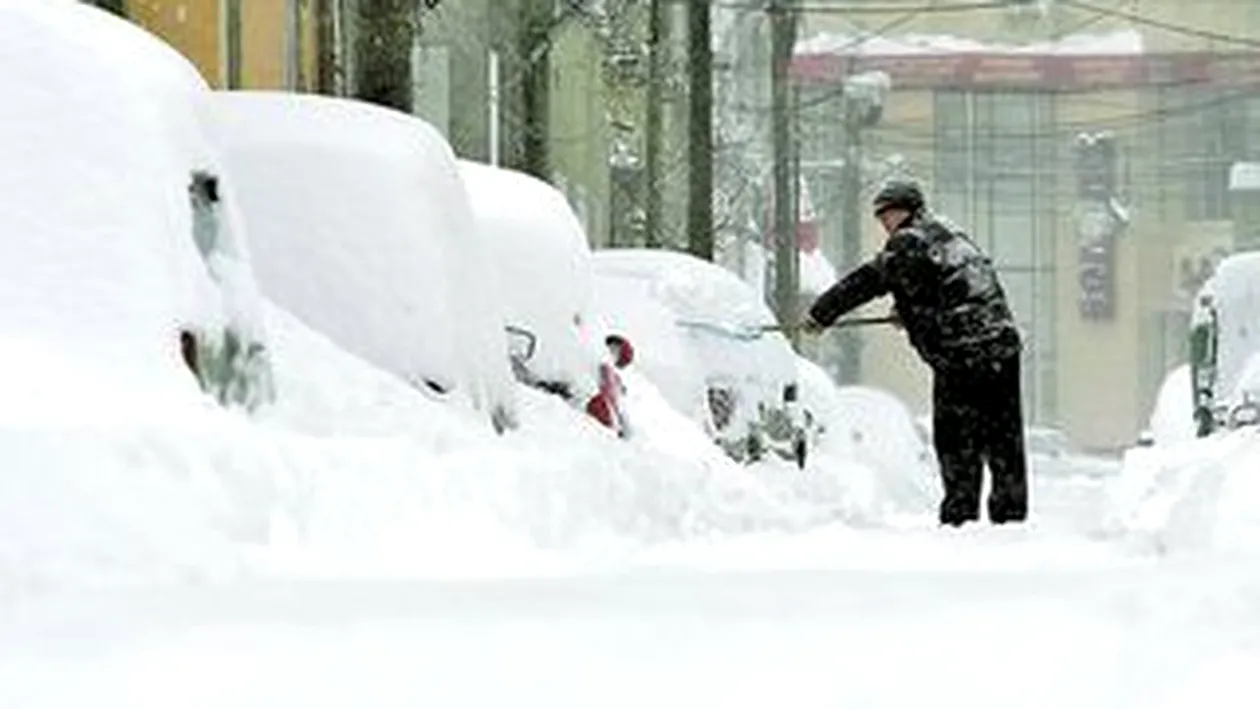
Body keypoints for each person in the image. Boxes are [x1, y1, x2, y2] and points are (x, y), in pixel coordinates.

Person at [803, 181, 1028, 526]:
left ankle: (960, 516)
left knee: (956, 439)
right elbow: (945, 288)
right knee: (1002, 436)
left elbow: (870, 280)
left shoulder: (909, 241)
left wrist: (821, 313)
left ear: (903, 211)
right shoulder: (950, 235)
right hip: (1001, 347)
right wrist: (909, 311)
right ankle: (1010, 516)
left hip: (962, 355)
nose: (883, 224)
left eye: (886, 215)